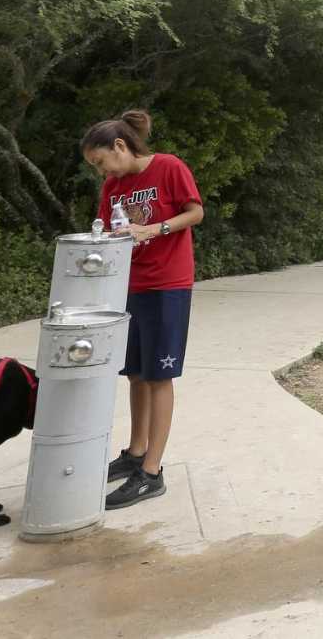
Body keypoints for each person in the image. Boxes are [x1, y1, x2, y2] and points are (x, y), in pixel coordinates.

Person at [81, 108, 204, 511]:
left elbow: (195, 212)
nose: (102, 173)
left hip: (167, 285)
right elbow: (104, 230)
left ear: (120, 146)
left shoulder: (168, 167)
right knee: (134, 373)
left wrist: (155, 228)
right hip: (127, 286)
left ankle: (151, 472)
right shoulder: (113, 188)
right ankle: (136, 451)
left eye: (101, 163)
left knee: (159, 376)